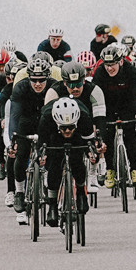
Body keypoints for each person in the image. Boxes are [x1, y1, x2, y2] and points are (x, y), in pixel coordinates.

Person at [91, 43, 136, 190]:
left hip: (127, 106)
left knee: (130, 135)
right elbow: (94, 96)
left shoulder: (130, 70)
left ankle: (134, 169)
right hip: (107, 107)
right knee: (107, 137)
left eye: (113, 64)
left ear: (121, 62)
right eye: (107, 65)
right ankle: (110, 170)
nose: (109, 68)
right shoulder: (99, 73)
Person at [9, 61, 61, 220]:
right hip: (26, 123)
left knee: (53, 153)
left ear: (48, 78)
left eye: (41, 80)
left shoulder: (54, 87)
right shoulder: (21, 87)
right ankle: (19, 191)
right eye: (34, 80)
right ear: (29, 78)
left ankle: (48, 184)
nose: (38, 84)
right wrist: (13, 139)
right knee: (21, 153)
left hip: (46, 122)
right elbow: (14, 116)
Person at [35, 91, 96, 223]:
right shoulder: (47, 118)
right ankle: (52, 205)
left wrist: (91, 153)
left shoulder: (83, 117)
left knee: (77, 161)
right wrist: (42, 156)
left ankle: (81, 193)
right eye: (64, 128)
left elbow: (89, 142)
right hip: (53, 136)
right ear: (58, 124)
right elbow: (41, 144)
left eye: (70, 128)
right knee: (54, 165)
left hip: (78, 136)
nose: (67, 131)